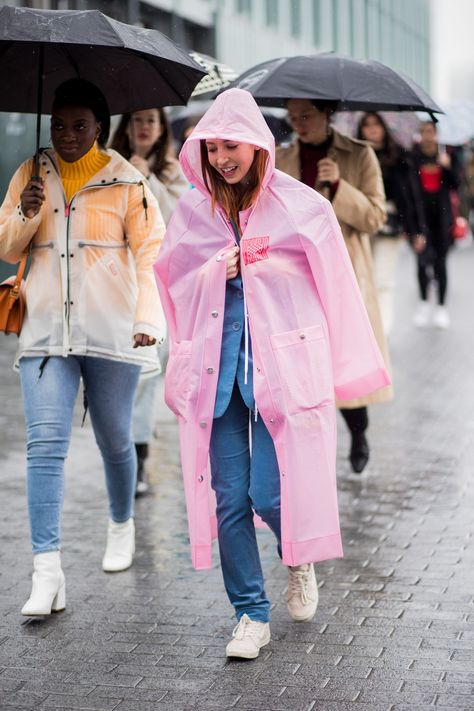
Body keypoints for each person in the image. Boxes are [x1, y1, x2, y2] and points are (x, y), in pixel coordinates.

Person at [154, 88, 390, 659]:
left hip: (281, 371)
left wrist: (349, 369)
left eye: (229, 146)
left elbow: (337, 288)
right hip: (219, 374)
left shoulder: (303, 206)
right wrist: (217, 268)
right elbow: (170, 279)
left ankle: (298, 556)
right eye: (210, 149)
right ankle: (249, 615)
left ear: (257, 144)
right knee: (229, 498)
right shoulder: (192, 210)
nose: (219, 159)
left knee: (269, 492)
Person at [0, 79, 166, 616]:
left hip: (113, 330)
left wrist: (147, 319)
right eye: (59, 125)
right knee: (44, 444)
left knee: (115, 438)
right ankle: (47, 572)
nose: (67, 136)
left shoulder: (128, 181)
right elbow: (6, 249)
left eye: (79, 126)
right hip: (46, 331)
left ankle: (121, 522)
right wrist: (25, 213)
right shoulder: (30, 172)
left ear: (99, 127)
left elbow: (150, 256)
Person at [276, 99, 393, 474]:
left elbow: (375, 216)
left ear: (328, 114)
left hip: (344, 271)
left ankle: (358, 432)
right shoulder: (281, 158)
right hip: (298, 270)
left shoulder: (359, 156)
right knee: (306, 360)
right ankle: (313, 447)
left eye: (306, 116)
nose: (300, 125)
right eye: (293, 118)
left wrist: (340, 185)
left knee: (347, 356)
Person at [111, 108, 188, 494]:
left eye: (151, 121)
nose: (144, 126)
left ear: (161, 130)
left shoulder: (175, 173)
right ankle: (125, 449)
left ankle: (138, 458)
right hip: (115, 284)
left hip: (158, 286)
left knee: (147, 371)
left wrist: (147, 181)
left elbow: (174, 224)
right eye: (137, 119)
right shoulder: (108, 165)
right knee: (124, 375)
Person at [357, 112, 426, 335]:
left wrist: (417, 230)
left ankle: (382, 332)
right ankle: (365, 330)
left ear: (385, 128)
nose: (372, 129)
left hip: (390, 222)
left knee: (383, 280)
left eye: (376, 124)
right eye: (367, 125)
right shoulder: (353, 156)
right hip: (360, 223)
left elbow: (412, 195)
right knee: (361, 279)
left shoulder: (399, 157)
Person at [411, 121, 460, 329]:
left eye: (431, 132)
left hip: (442, 221)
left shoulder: (447, 154)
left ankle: (441, 307)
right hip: (420, 220)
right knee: (422, 262)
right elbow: (408, 191)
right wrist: (413, 228)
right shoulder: (412, 157)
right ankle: (423, 304)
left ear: (437, 134)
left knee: (440, 263)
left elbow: (457, 185)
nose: (427, 136)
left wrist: (447, 166)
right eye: (423, 132)